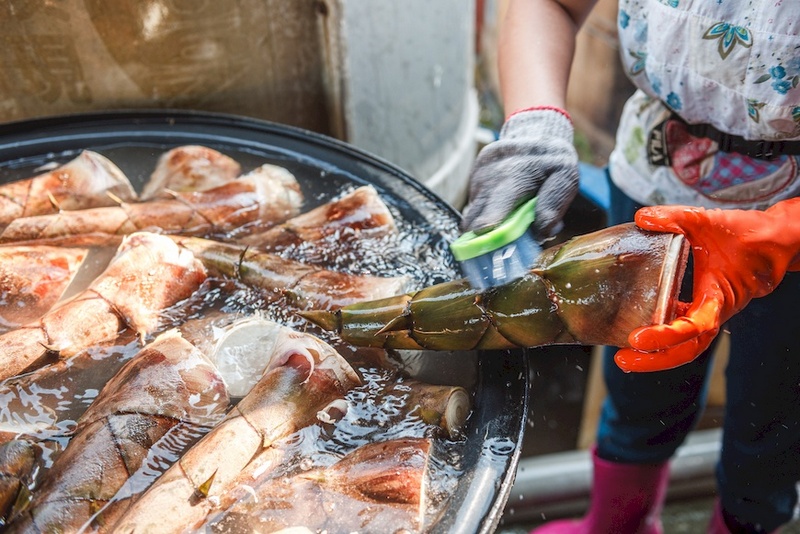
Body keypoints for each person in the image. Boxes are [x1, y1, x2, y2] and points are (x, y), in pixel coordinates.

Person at [462, 1, 800, 532]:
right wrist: (534, 123)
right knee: (642, 383)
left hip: (792, 238)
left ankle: (746, 521)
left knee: (776, 417)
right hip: (653, 185)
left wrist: (785, 235)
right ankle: (618, 522)